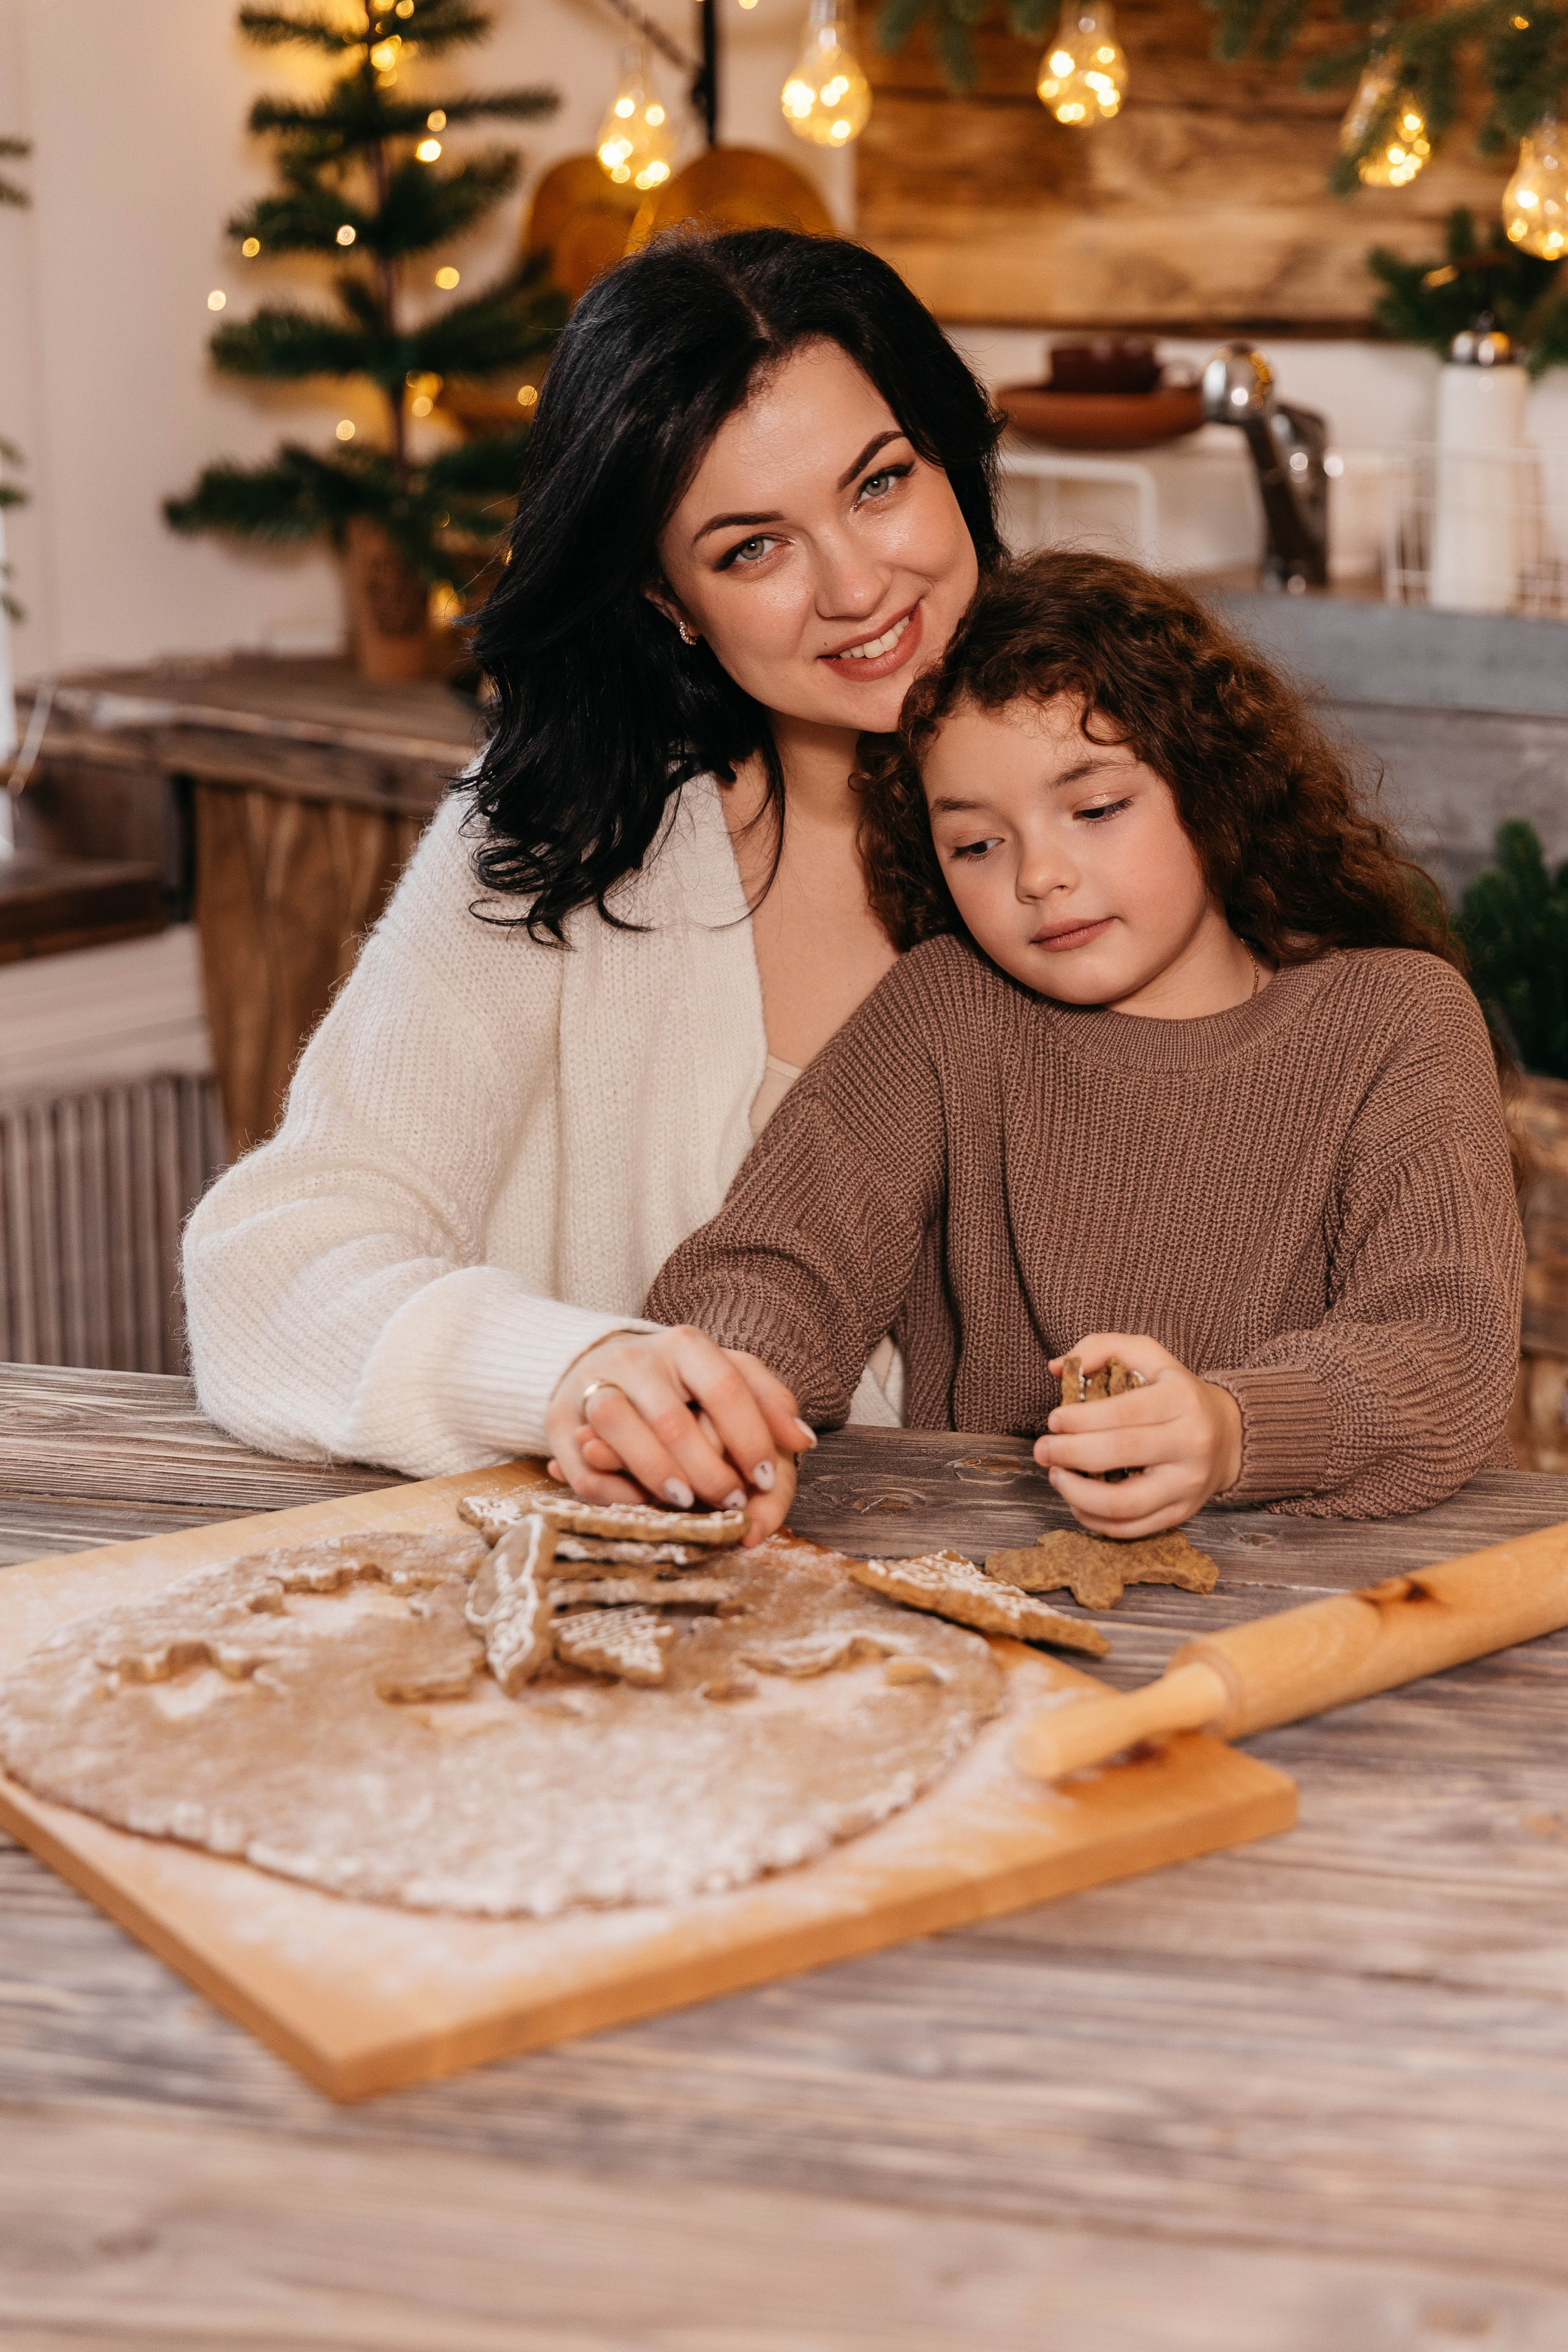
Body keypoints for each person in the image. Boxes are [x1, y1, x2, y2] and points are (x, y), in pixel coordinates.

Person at [182, 227, 1003, 1540]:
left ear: (950, 458)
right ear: (666, 597)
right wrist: (566, 1373)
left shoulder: (1145, 806)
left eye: (878, 484)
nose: (855, 587)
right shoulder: (554, 853)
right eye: (750, 548)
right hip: (632, 1650)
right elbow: (268, 1268)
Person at [646, 551, 1525, 1538]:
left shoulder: (1396, 1017)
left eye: (1097, 809)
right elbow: (783, 1264)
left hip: (1331, 1603)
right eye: (977, 843)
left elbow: (1447, 1347)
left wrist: (1232, 1430)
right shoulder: (946, 1011)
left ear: (1213, 784)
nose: (1040, 876)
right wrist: (728, 1390)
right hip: (995, 1590)